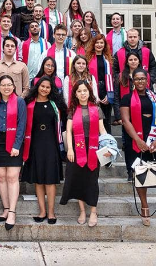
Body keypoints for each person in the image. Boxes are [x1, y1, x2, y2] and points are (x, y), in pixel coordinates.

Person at [120, 69, 156, 228]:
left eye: (142, 79)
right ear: (133, 80)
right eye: (137, 79)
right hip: (136, 141)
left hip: (155, 142)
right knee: (141, 176)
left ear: (147, 80)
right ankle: (144, 207)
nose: (140, 82)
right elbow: (126, 121)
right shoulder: (126, 99)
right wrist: (138, 140)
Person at [60, 81, 108, 227]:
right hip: (77, 148)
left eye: (85, 91)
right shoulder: (73, 110)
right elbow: (69, 131)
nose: (82, 93)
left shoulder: (97, 109)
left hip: (93, 147)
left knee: (92, 179)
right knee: (79, 178)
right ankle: (82, 210)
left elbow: (103, 130)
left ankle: (93, 211)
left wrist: (107, 146)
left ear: (89, 92)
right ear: (75, 93)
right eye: (79, 91)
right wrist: (70, 149)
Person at [22, 77, 67, 224]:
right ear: (37, 87)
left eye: (48, 87)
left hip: (51, 144)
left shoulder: (55, 105)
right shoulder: (29, 104)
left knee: (50, 179)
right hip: (34, 144)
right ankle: (42, 212)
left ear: (51, 89)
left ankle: (52, 213)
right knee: (38, 180)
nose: (44, 89)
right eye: (42, 86)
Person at [0, 75, 27, 230]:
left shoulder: (19, 102)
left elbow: (22, 124)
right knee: (1, 177)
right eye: (3, 85)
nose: (6, 87)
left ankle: (12, 211)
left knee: (12, 177)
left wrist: (17, 145)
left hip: (14, 142)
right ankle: (5, 209)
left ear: (13, 87)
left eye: (9, 85)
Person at [113, 52, 141, 180]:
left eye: (135, 59)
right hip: (127, 116)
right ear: (127, 62)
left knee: (140, 142)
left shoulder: (142, 76)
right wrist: (118, 116)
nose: (133, 61)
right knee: (128, 145)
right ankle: (130, 170)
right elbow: (117, 97)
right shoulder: (121, 77)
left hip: (140, 114)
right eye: (131, 59)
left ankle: (139, 169)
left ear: (139, 61)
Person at [86, 34, 114, 134]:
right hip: (92, 89)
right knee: (94, 119)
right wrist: (93, 94)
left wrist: (109, 94)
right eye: (97, 42)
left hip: (105, 89)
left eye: (101, 42)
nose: (99, 45)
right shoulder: (88, 59)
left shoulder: (108, 59)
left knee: (106, 120)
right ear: (93, 44)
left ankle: (107, 144)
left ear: (104, 44)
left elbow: (111, 77)